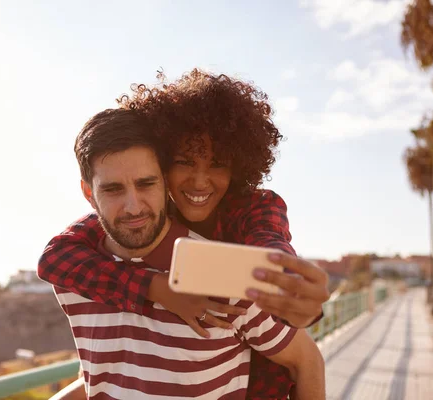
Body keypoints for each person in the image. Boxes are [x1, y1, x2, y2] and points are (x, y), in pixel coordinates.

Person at [39, 70, 329, 399]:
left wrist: (284, 281)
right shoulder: (86, 260)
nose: (200, 181)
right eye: (185, 162)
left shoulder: (227, 262)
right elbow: (103, 373)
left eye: (218, 164)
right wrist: (158, 288)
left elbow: (270, 242)